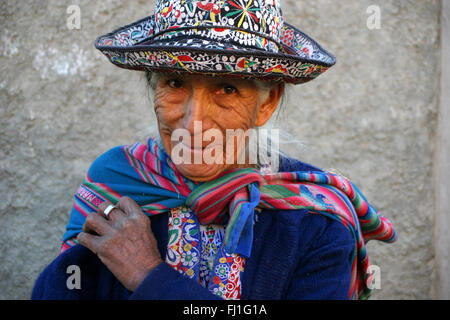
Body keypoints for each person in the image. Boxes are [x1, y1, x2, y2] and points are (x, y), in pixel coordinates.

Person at [31, 0, 397, 300]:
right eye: (175, 82)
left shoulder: (316, 224)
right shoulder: (115, 188)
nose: (193, 122)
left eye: (226, 88)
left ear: (268, 102)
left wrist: (149, 276)